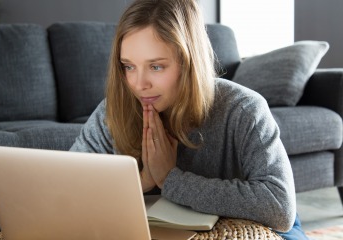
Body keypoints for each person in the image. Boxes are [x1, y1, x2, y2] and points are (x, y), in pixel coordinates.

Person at [69, 0, 309, 239]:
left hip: (257, 228)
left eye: (156, 67)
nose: (139, 84)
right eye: (129, 67)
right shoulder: (112, 111)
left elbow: (280, 209)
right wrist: (140, 182)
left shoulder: (244, 109)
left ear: (189, 62)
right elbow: (68, 192)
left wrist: (170, 180)